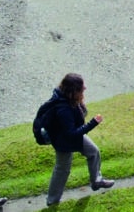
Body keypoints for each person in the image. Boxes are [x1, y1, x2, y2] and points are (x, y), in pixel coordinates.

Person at [45, 73, 114, 206]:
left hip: (72, 137)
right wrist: (93, 123)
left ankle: (96, 181)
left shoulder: (70, 100)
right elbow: (72, 133)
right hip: (63, 142)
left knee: (93, 152)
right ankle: (52, 201)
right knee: (62, 169)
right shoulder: (63, 109)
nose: (85, 89)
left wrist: (81, 105)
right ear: (73, 91)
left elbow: (77, 121)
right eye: (81, 88)